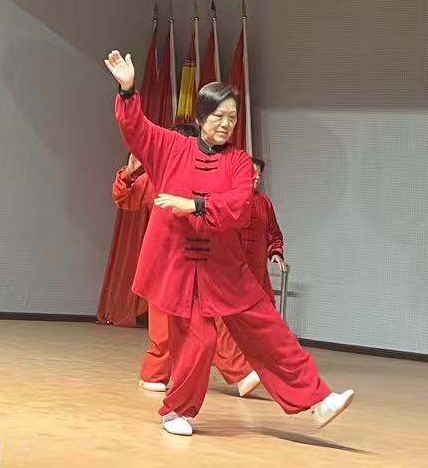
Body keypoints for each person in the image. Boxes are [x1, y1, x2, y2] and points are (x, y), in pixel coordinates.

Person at [105, 50, 354, 437]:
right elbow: (136, 128)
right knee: (199, 340)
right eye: (218, 116)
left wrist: (195, 205)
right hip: (180, 268)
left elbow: (239, 204)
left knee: (269, 329)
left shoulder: (238, 161)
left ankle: (317, 399)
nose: (225, 124)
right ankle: (177, 411)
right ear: (201, 116)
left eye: (232, 118)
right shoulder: (172, 147)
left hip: (224, 268)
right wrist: (127, 89)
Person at [112, 136, 261, 398]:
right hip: (166, 260)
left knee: (211, 316)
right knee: (164, 323)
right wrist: (129, 173)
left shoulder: (211, 176)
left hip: (201, 259)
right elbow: (126, 199)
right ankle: (154, 374)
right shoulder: (157, 179)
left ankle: (239, 371)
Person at [243, 157, 286, 303]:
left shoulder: (264, 202)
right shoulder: (227, 199)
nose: (257, 178)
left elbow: (274, 234)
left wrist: (276, 252)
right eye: (253, 173)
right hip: (232, 275)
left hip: (258, 274)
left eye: (259, 175)